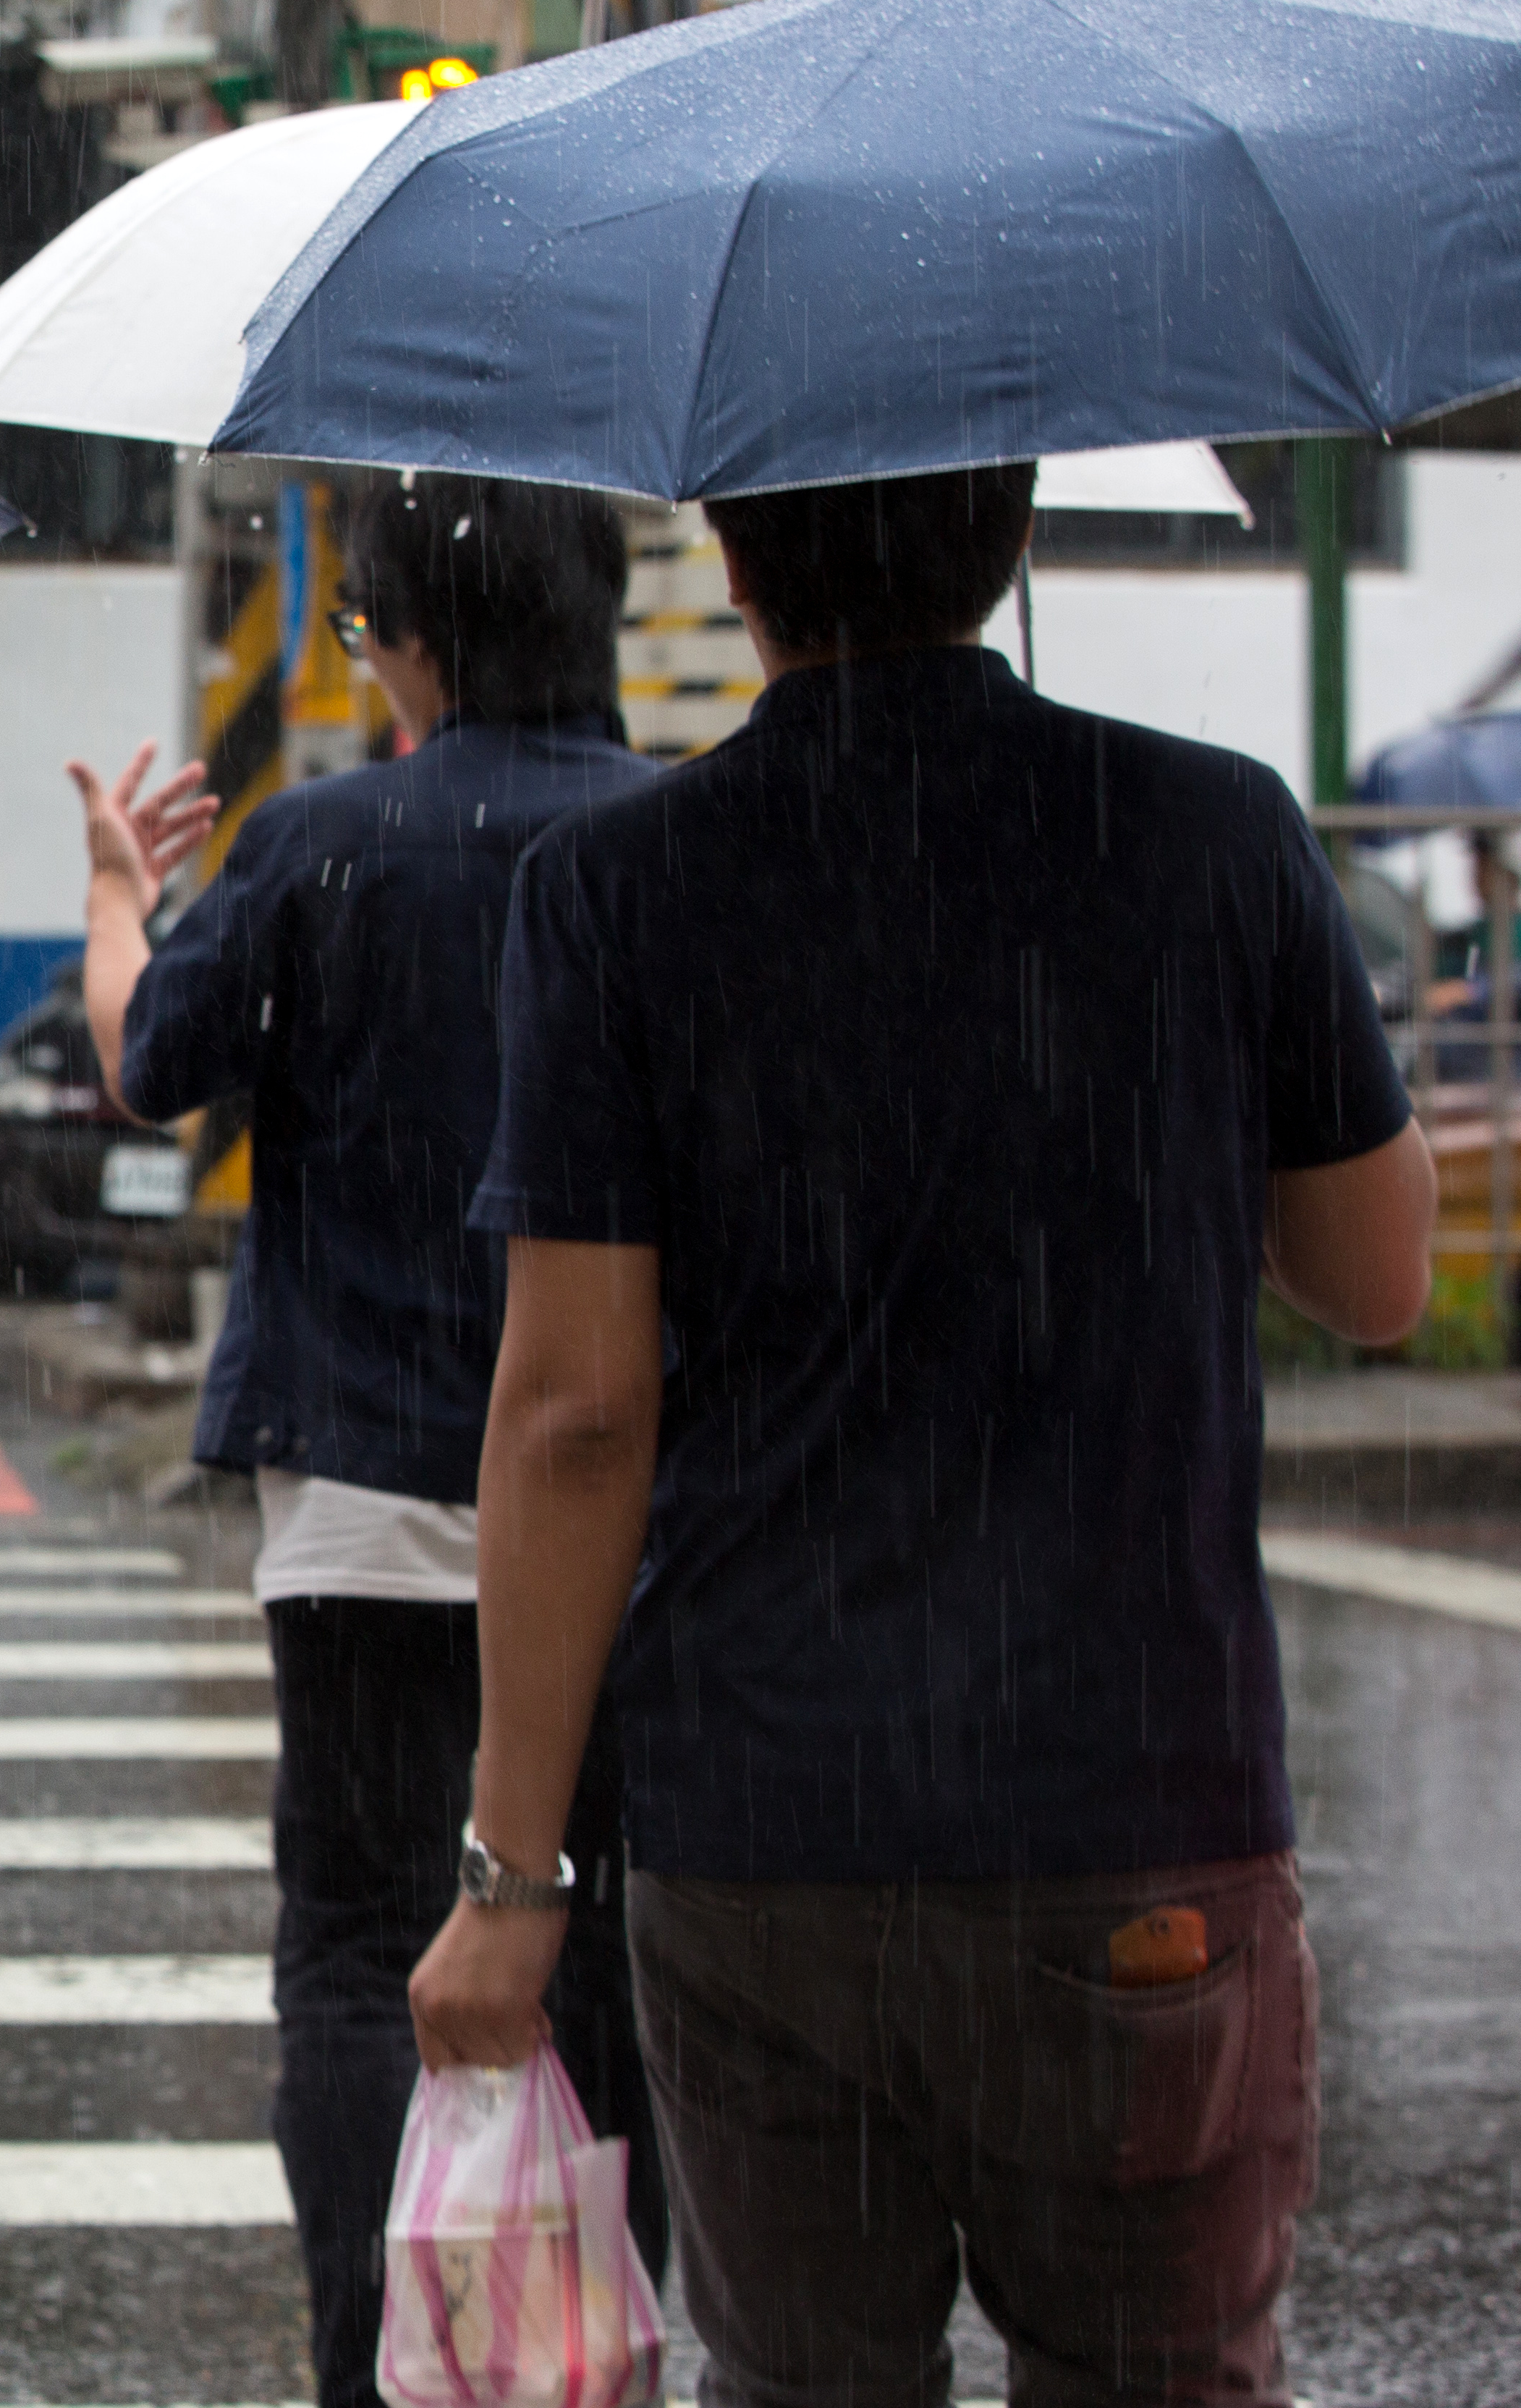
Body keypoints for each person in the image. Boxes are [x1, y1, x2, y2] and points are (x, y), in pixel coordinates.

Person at [408, 460, 1437, 2402]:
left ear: (729, 552)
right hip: (1135, 1807)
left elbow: (572, 1412)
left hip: (766, 1836)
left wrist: (510, 1879)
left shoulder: (618, 891)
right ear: (1019, 528)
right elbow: (1377, 1276)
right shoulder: (1215, 834)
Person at [70, 473, 666, 2407]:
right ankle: (587, 2336)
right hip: (635, 1516)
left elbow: (150, 1069)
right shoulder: (681, 848)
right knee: (604, 1935)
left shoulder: (326, 844)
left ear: (409, 637)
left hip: (368, 1510)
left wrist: (115, 898)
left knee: (351, 1953)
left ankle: (380, 2354)